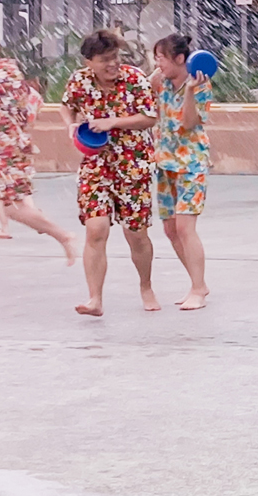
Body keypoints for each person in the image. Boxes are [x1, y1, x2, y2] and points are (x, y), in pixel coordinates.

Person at [0, 36, 77, 277]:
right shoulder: (9, 72)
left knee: (13, 209)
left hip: (7, 148)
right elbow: (5, 106)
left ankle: (63, 236)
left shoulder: (1, 75)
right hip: (5, 146)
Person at [61, 29, 159, 316]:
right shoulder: (79, 81)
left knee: (136, 233)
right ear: (89, 61)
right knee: (95, 229)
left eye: (115, 57)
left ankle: (146, 285)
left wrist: (112, 122)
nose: (113, 64)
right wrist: (70, 123)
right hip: (95, 164)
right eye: (105, 60)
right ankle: (95, 299)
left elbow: (150, 118)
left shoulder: (134, 79)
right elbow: (66, 106)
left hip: (133, 163)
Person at [150, 34, 212, 311]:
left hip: (191, 165)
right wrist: (162, 64)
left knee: (186, 228)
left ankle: (198, 289)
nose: (157, 64)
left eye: (161, 58)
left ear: (179, 59)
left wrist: (188, 88)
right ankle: (197, 283)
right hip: (165, 164)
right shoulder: (161, 81)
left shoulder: (202, 86)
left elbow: (188, 122)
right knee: (170, 229)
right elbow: (148, 82)